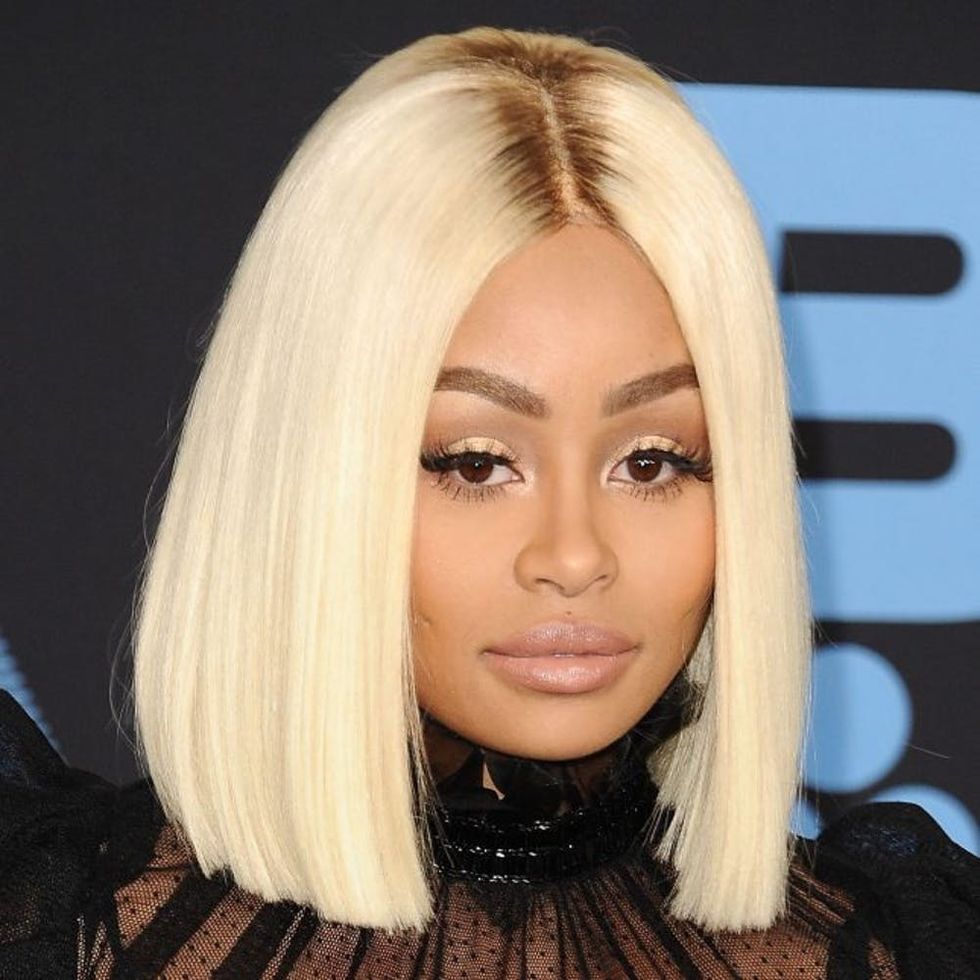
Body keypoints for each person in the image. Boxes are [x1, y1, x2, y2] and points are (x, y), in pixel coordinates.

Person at [1, 24, 978, 980]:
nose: (574, 555)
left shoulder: (905, 949)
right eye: (474, 464)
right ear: (310, 479)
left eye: (651, 462)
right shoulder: (51, 930)